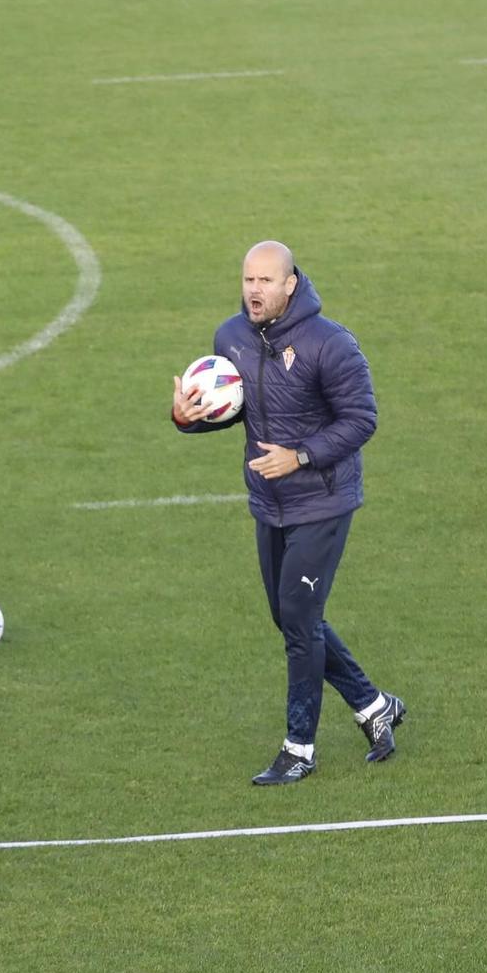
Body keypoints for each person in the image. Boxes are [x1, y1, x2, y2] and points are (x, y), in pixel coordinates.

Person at [172, 241, 406, 786]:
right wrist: (187, 417)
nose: (254, 290)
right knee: (289, 615)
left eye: (266, 281)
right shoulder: (230, 337)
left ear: (291, 284)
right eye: (248, 279)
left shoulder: (331, 344)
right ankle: (375, 708)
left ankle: (299, 747)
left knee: (300, 621)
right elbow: (233, 410)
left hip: (323, 500)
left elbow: (362, 420)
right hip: (269, 502)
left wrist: (299, 456)